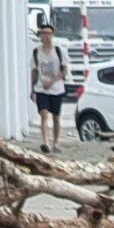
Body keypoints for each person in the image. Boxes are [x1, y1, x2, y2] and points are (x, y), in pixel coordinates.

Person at [28, 21, 69, 151]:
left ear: (53, 35)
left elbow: (64, 71)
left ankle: (56, 143)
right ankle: (45, 142)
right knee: (44, 114)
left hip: (56, 89)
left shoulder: (59, 51)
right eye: (43, 33)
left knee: (56, 117)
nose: (46, 36)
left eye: (49, 33)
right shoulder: (36, 52)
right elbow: (34, 71)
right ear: (40, 35)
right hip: (41, 89)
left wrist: (52, 81)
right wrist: (32, 88)